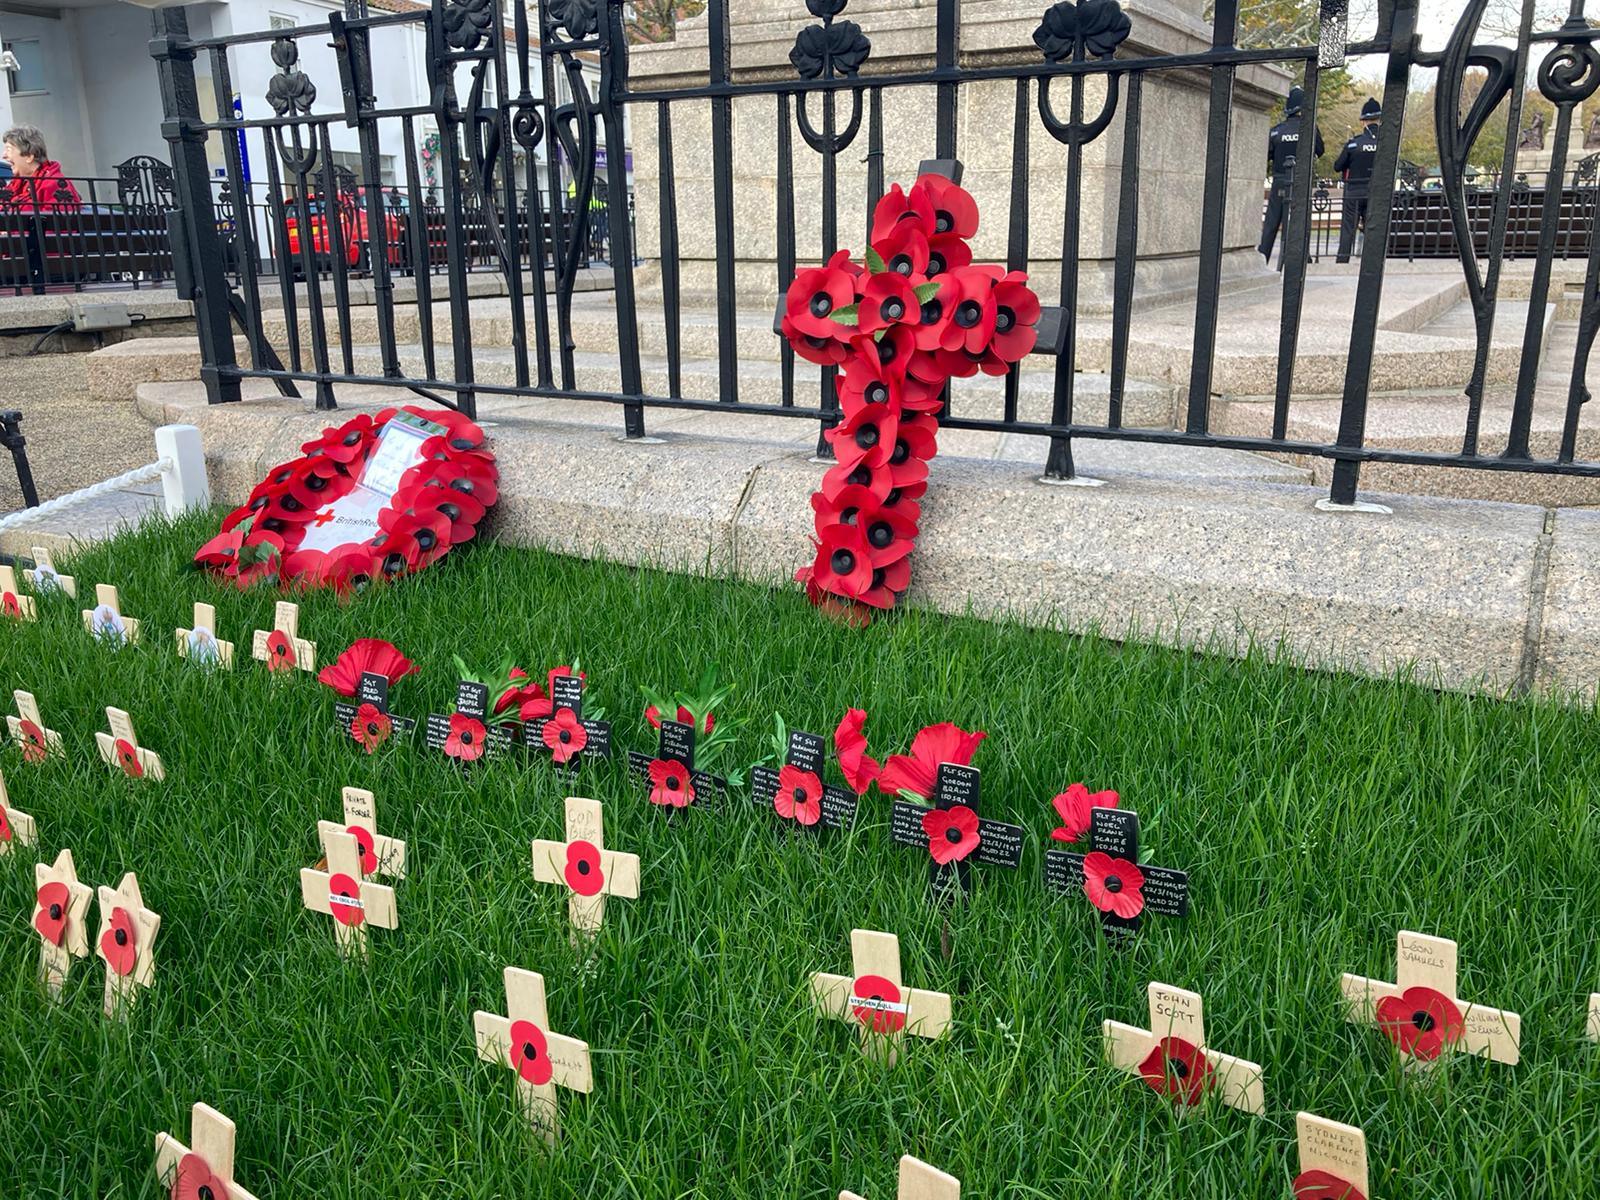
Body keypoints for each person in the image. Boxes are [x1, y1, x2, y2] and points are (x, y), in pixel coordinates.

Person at [1258, 85, 1325, 268]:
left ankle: (1263, 257)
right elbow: (1320, 150)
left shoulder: (1277, 130)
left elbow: (1266, 155)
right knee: (1299, 220)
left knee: (1272, 221)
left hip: (1280, 180)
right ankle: (1299, 257)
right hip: (1301, 181)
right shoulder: (1310, 129)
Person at [1333, 97, 1381, 263]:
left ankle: (1342, 261)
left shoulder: (1354, 144)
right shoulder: (1386, 143)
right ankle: (1372, 263)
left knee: (1348, 229)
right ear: (1379, 119)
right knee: (1373, 229)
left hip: (1354, 190)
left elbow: (1338, 166)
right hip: (1376, 191)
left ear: (1363, 122)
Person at [0, 125, 81, 212]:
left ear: (29, 156)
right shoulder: (17, 184)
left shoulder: (54, 184)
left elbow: (60, 222)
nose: (4, 155)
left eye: (9, 149)